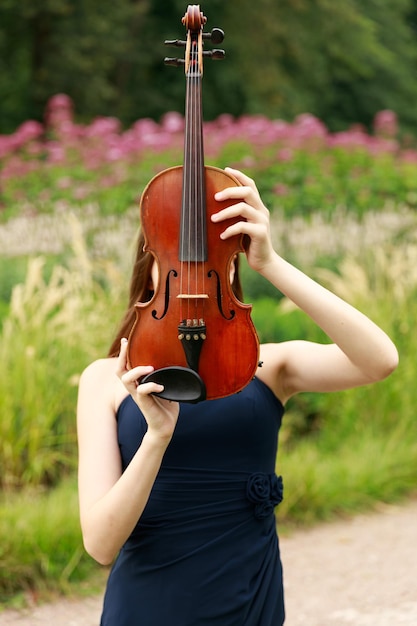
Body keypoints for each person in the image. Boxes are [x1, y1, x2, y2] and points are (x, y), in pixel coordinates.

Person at [77, 167, 398, 625]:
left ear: (231, 270)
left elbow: (380, 360)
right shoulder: (104, 379)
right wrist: (156, 437)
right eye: (176, 262)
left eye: (211, 259)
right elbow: (100, 545)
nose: (189, 282)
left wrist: (270, 261)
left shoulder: (268, 367)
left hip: (249, 599)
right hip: (150, 606)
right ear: (150, 275)